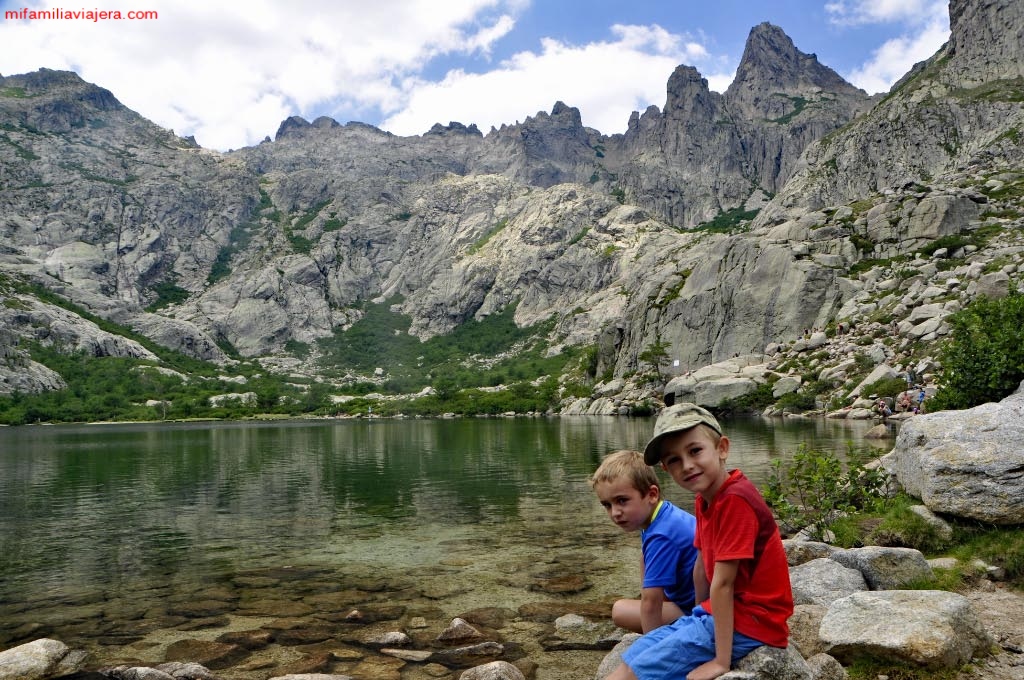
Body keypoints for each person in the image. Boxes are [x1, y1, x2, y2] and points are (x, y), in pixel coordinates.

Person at [606, 404, 794, 680]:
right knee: (635, 656)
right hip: (718, 614)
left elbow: (723, 583)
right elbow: (700, 566)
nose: (687, 465)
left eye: (695, 451)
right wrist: (696, 617)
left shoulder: (735, 500)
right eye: (674, 460)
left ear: (722, 448)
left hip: (753, 621)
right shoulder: (705, 498)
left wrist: (720, 660)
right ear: (665, 469)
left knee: (636, 673)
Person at [591, 449, 699, 633]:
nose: (615, 513)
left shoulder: (662, 535)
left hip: (694, 611)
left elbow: (651, 602)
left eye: (622, 500)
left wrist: (651, 648)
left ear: (651, 494)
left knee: (619, 610)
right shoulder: (663, 515)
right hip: (694, 600)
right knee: (644, 558)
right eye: (607, 505)